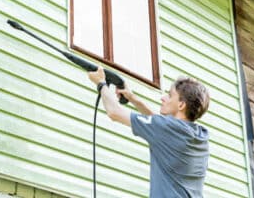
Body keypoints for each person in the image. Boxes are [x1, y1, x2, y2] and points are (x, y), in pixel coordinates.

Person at [88, 67, 210, 198]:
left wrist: (101, 84)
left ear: (181, 105)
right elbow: (159, 126)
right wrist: (133, 98)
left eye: (169, 95)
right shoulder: (200, 136)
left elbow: (114, 112)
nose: (163, 98)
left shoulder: (166, 129)